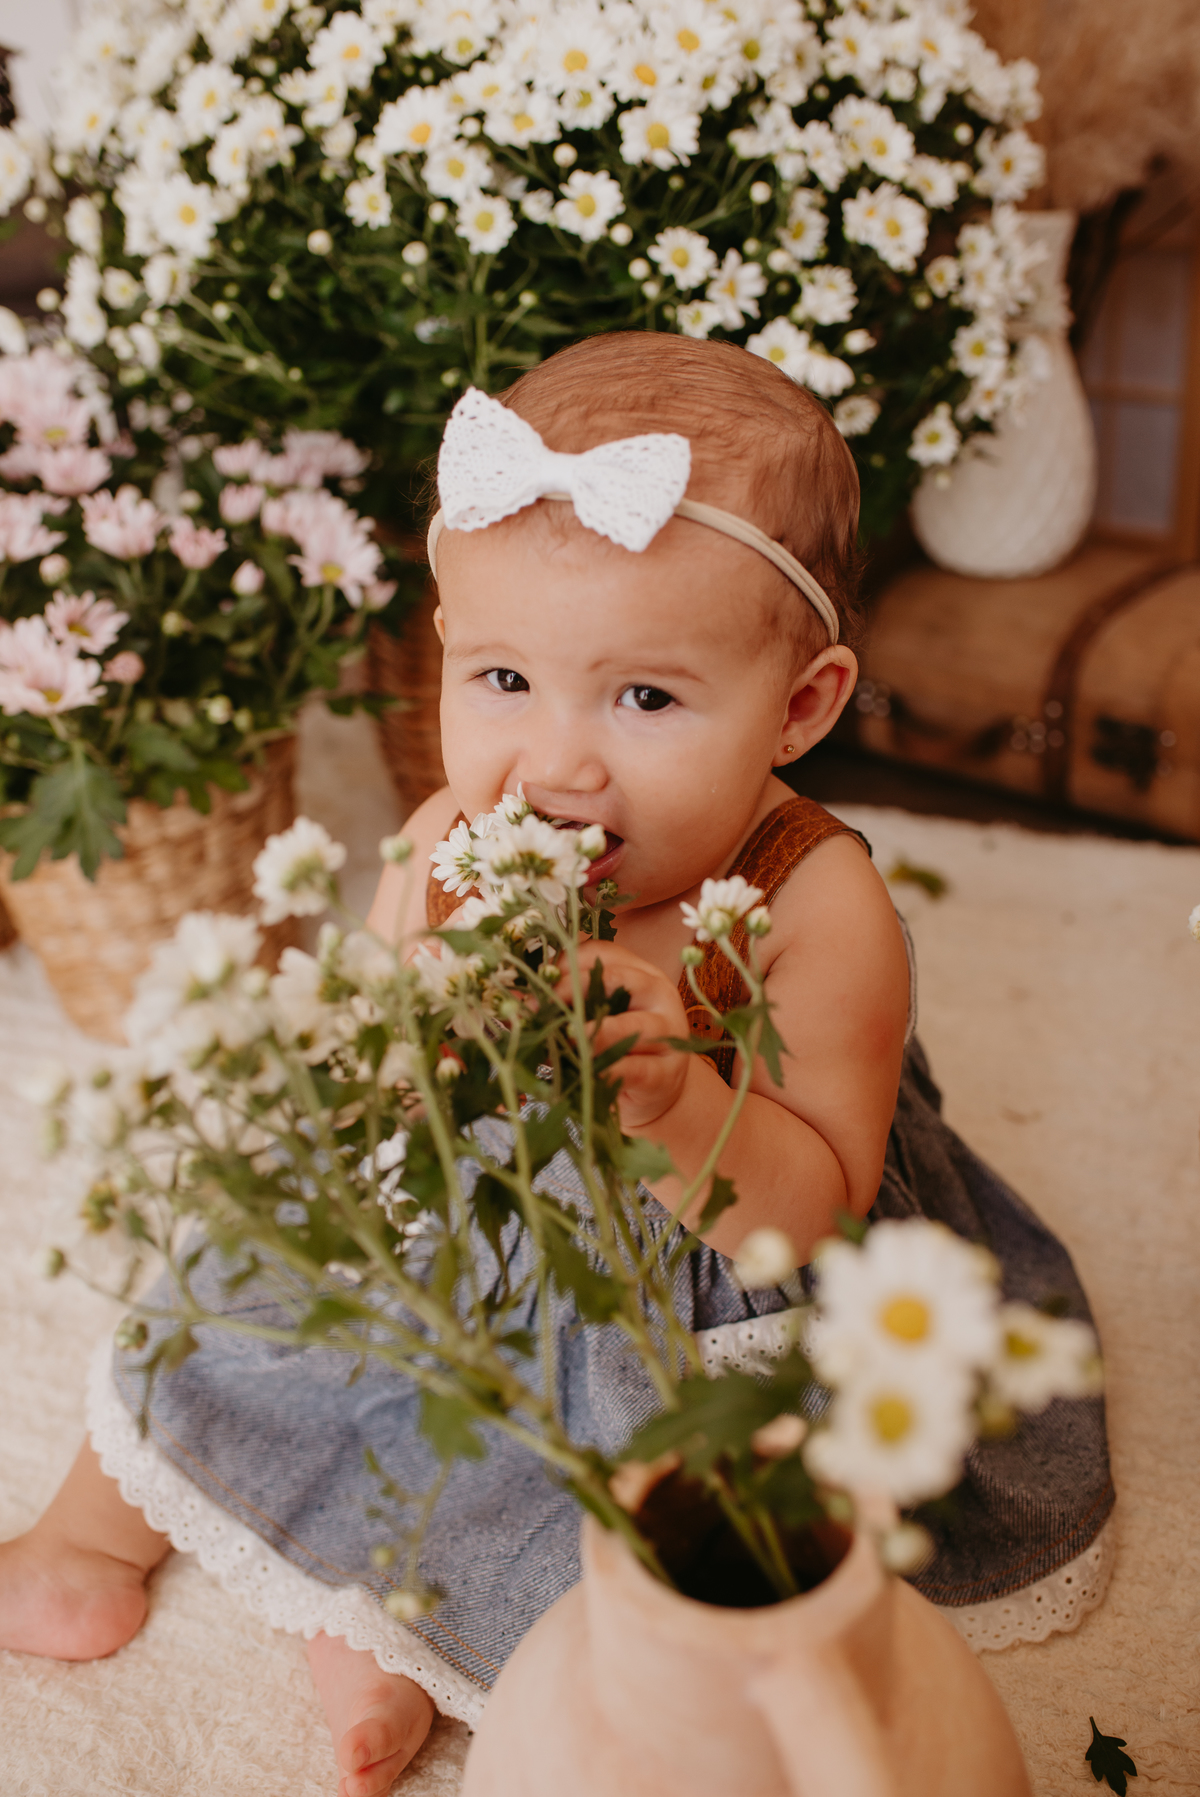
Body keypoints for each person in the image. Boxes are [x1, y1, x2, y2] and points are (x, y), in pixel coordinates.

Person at [0, 334, 1113, 1797]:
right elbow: (370, 1076)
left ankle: (400, 1617)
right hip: (472, 1206)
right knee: (249, 1275)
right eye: (507, 677)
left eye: (645, 698)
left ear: (801, 705)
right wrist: (398, 1050)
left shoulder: (816, 902)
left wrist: (677, 1099)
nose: (558, 765)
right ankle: (93, 1535)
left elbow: (816, 1211)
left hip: (694, 1280)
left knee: (639, 1503)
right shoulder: (449, 843)